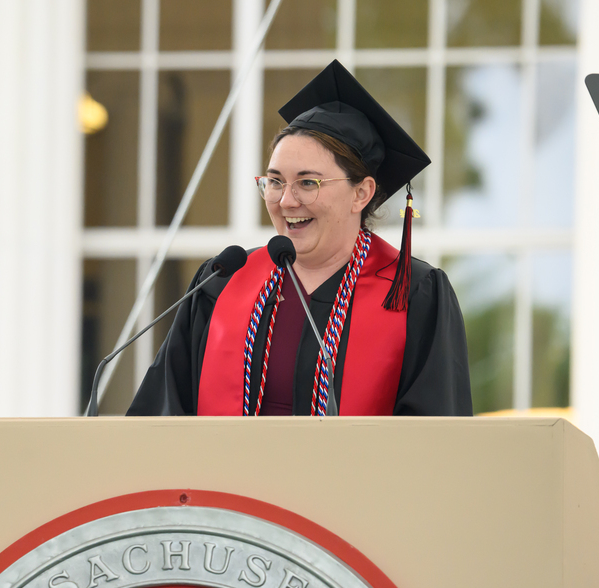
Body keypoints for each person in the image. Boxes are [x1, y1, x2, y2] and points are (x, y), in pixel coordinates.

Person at [128, 60, 471, 417]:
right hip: (225, 474)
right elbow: (161, 418)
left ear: (362, 193)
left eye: (308, 182)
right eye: (274, 182)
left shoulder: (412, 294)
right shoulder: (224, 282)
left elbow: (436, 440)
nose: (286, 200)